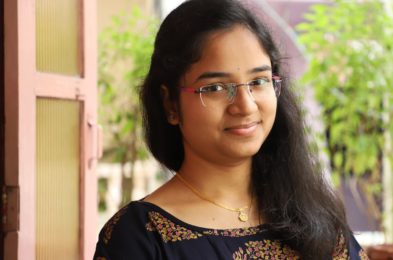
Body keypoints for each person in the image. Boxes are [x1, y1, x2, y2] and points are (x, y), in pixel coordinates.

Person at [94, 0, 367, 259]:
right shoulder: (141, 236)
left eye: (258, 81)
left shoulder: (316, 220)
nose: (245, 106)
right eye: (215, 88)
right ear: (170, 104)